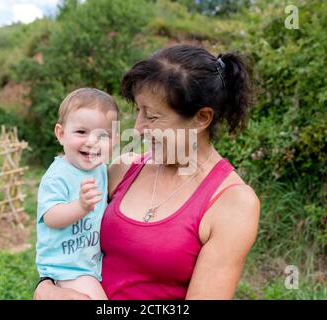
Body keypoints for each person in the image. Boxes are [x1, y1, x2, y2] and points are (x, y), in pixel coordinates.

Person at [34, 44, 260, 300]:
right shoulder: (125, 168)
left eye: (152, 117)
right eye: (138, 111)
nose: (139, 128)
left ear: (201, 118)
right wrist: (45, 287)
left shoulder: (233, 203)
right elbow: (68, 244)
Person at [35, 88, 119, 300]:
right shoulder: (58, 176)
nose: (91, 141)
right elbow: (51, 217)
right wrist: (79, 207)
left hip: (88, 263)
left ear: (114, 140)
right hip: (65, 267)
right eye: (81, 132)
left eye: (102, 135)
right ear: (61, 134)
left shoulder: (101, 169)